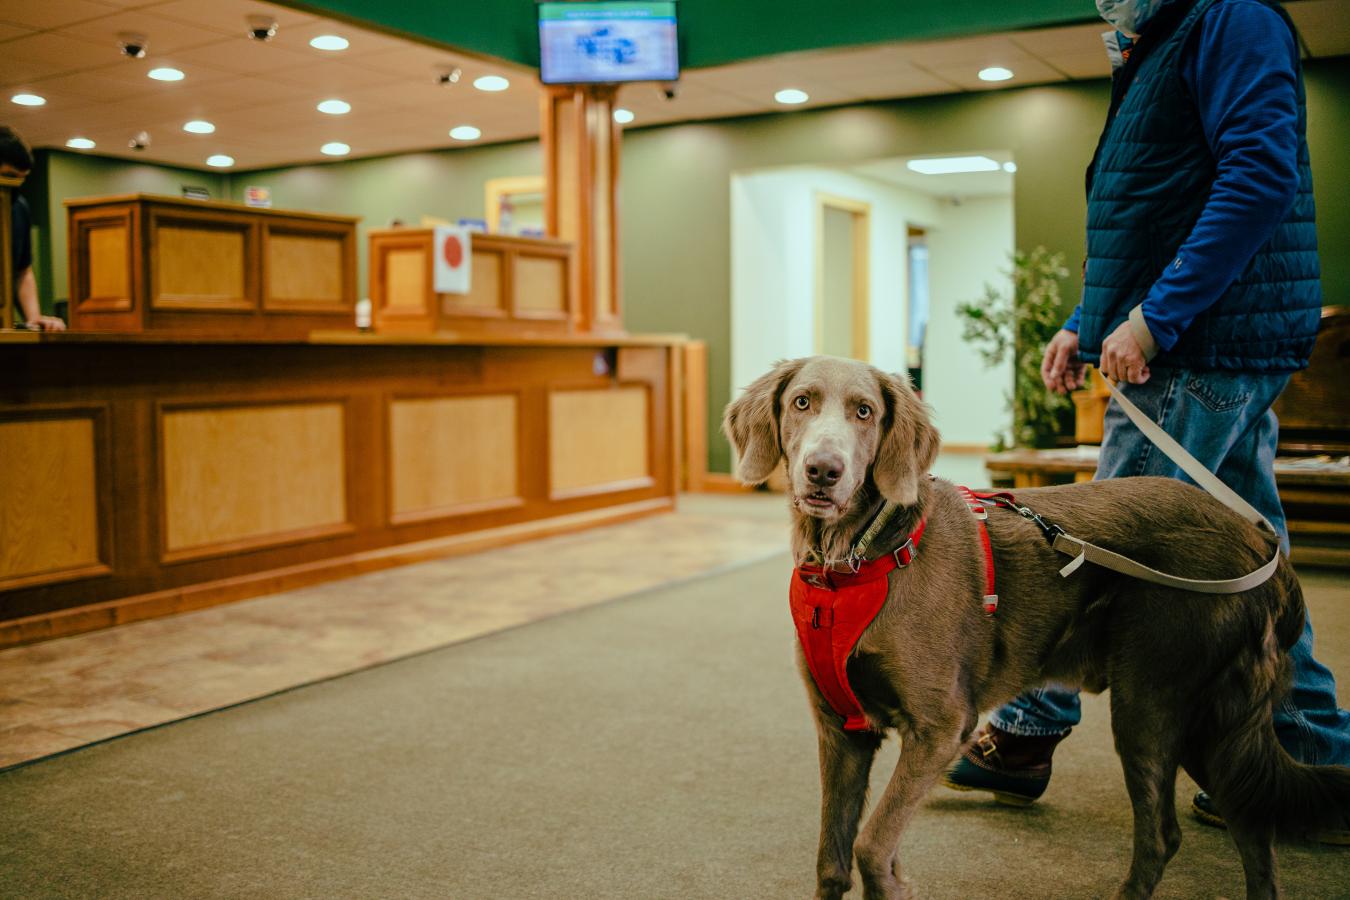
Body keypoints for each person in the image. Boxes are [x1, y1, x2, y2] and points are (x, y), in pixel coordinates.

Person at [943, 0, 1350, 840]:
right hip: (1203, 341)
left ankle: (1019, 739)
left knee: (1088, 551)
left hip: (1199, 348)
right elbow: (1153, 208)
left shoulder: (1232, 17)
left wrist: (1157, 319)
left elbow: (1259, 176)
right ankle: (1316, 766)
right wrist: (1084, 323)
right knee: (1251, 560)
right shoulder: (1164, 40)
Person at [0, 126, 65, 331]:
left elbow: (22, 271)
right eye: (9, 176)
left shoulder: (18, 208)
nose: (16, 185)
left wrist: (34, 318)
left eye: (22, 178)